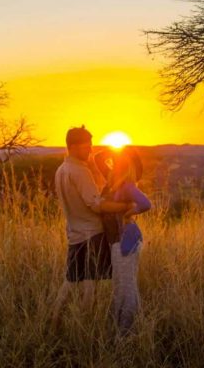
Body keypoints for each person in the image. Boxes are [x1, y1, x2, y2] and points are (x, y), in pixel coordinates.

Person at [50, 126, 134, 328]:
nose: (89, 150)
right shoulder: (80, 171)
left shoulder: (61, 170)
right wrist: (125, 206)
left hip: (74, 235)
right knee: (90, 286)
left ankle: (52, 324)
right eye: (86, 147)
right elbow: (96, 204)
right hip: (92, 235)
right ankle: (85, 330)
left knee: (70, 282)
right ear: (73, 147)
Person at [102, 146, 151, 336]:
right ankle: (127, 327)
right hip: (118, 241)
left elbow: (146, 204)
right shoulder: (113, 181)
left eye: (118, 162)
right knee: (121, 286)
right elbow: (99, 158)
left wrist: (131, 212)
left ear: (124, 166)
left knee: (126, 287)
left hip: (126, 242)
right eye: (114, 161)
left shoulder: (127, 186)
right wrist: (115, 150)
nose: (113, 164)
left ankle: (125, 332)